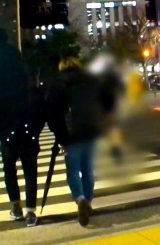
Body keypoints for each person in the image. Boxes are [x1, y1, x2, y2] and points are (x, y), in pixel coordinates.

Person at [47, 57, 112, 227]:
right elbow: (107, 102)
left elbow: (52, 114)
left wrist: (60, 135)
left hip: (71, 136)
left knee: (73, 171)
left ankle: (80, 198)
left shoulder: (58, 85)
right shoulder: (92, 81)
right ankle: (88, 201)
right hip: (91, 132)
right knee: (88, 169)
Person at [0, 29, 41, 226]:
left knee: (9, 168)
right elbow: (34, 98)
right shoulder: (18, 61)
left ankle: (15, 205)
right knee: (30, 169)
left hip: (6, 128)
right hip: (26, 126)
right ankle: (31, 211)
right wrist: (35, 128)